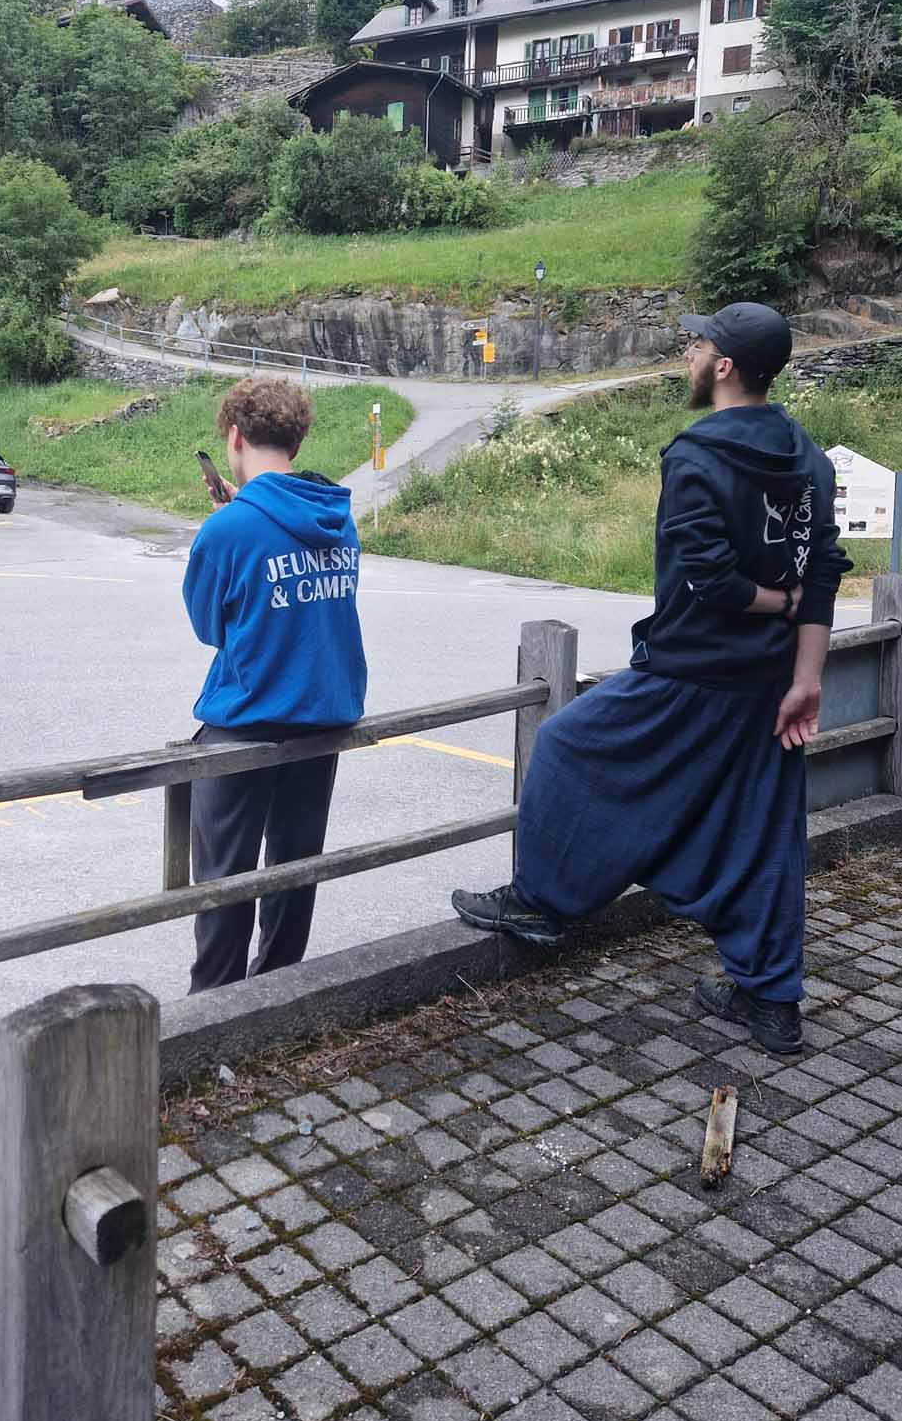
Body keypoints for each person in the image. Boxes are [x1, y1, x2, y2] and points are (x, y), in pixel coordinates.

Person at [452, 302, 851, 1057]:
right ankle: (771, 1004)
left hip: (688, 671)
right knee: (763, 835)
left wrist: (777, 601)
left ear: (723, 366)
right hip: (770, 681)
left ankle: (540, 903)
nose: (688, 356)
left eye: (696, 346)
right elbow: (822, 569)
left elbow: (710, 580)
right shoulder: (808, 457)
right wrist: (806, 675)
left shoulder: (697, 454)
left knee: (566, 746)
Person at [182, 378, 367, 994]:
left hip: (250, 717)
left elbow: (210, 628)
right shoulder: (337, 517)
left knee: (225, 876)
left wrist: (233, 522)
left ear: (234, 437)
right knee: (295, 865)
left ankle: (214, 1002)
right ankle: (279, 989)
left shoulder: (227, 531)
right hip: (324, 712)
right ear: (297, 440)